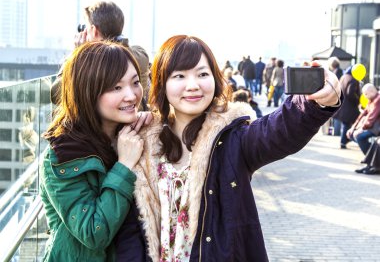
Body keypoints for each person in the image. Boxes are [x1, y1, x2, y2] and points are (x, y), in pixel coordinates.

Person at [116, 35, 342, 261]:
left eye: (202, 74)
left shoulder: (234, 137)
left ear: (215, 79)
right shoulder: (142, 142)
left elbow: (279, 130)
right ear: (161, 83)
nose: (193, 85)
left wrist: (316, 102)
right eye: (179, 76)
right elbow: (130, 231)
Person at [40, 41, 151, 261]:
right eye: (116, 88)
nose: (131, 95)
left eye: (135, 82)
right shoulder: (61, 156)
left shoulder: (132, 134)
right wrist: (124, 166)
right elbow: (93, 232)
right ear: (88, 91)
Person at [51, 1, 149, 106]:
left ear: (94, 30)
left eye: (86, 27)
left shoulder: (92, 62)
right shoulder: (139, 55)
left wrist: (77, 54)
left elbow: (56, 94)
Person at [347, 83, 380, 156]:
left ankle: (371, 158)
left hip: (376, 127)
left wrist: (361, 129)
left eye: (366, 94)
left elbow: (372, 117)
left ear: (372, 91)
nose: (365, 96)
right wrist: (353, 127)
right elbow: (363, 114)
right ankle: (372, 157)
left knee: (360, 137)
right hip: (373, 126)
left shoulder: (378, 100)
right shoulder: (372, 99)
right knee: (352, 134)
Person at [332, 66, 361, 149]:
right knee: (347, 124)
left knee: (346, 123)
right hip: (349, 106)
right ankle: (344, 141)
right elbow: (350, 92)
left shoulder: (344, 77)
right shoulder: (353, 79)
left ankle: (345, 140)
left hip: (342, 104)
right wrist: (357, 100)